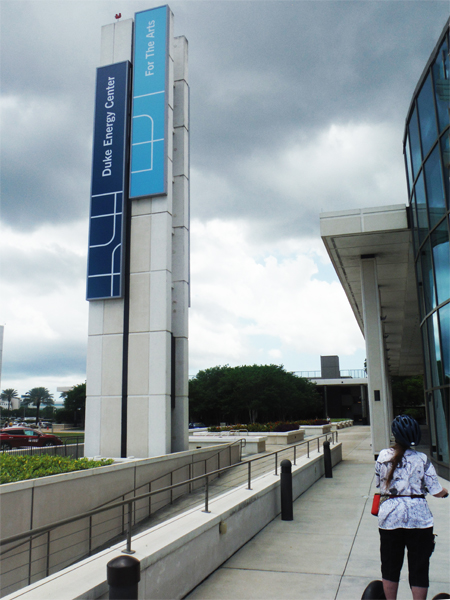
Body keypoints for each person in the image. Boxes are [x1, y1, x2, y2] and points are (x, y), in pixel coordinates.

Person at [375, 415, 449, 600]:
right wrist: (444, 492)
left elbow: (380, 484)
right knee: (419, 566)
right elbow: (435, 490)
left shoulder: (383, 456)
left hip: (390, 519)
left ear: (395, 436)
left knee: (390, 565)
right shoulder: (422, 459)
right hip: (419, 520)